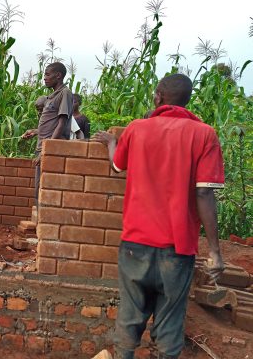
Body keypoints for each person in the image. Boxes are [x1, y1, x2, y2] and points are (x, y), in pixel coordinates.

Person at [93, 74, 225, 359]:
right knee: (169, 325)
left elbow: (117, 166)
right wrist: (215, 251)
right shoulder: (204, 135)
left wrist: (112, 141)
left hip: (134, 245)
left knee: (129, 318)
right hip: (176, 250)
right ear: (187, 100)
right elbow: (204, 194)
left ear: (157, 98)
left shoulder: (137, 129)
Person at [21, 62, 73, 198]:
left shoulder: (65, 93)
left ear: (58, 75)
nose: (44, 78)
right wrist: (34, 131)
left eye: (47, 74)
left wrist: (47, 151)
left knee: (43, 190)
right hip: (42, 148)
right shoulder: (51, 96)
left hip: (49, 150)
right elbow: (50, 125)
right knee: (38, 189)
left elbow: (61, 124)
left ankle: (42, 219)